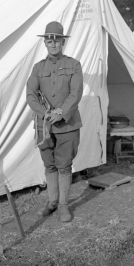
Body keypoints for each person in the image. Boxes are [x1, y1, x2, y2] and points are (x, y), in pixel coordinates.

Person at [26, 21, 83, 222]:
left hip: (67, 125)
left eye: (57, 40)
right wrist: (45, 114)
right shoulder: (38, 68)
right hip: (44, 126)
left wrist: (61, 113)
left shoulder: (74, 65)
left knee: (64, 166)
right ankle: (51, 201)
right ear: (45, 43)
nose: (53, 44)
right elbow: (30, 94)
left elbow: (76, 94)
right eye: (49, 40)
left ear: (62, 42)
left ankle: (63, 205)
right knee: (49, 166)